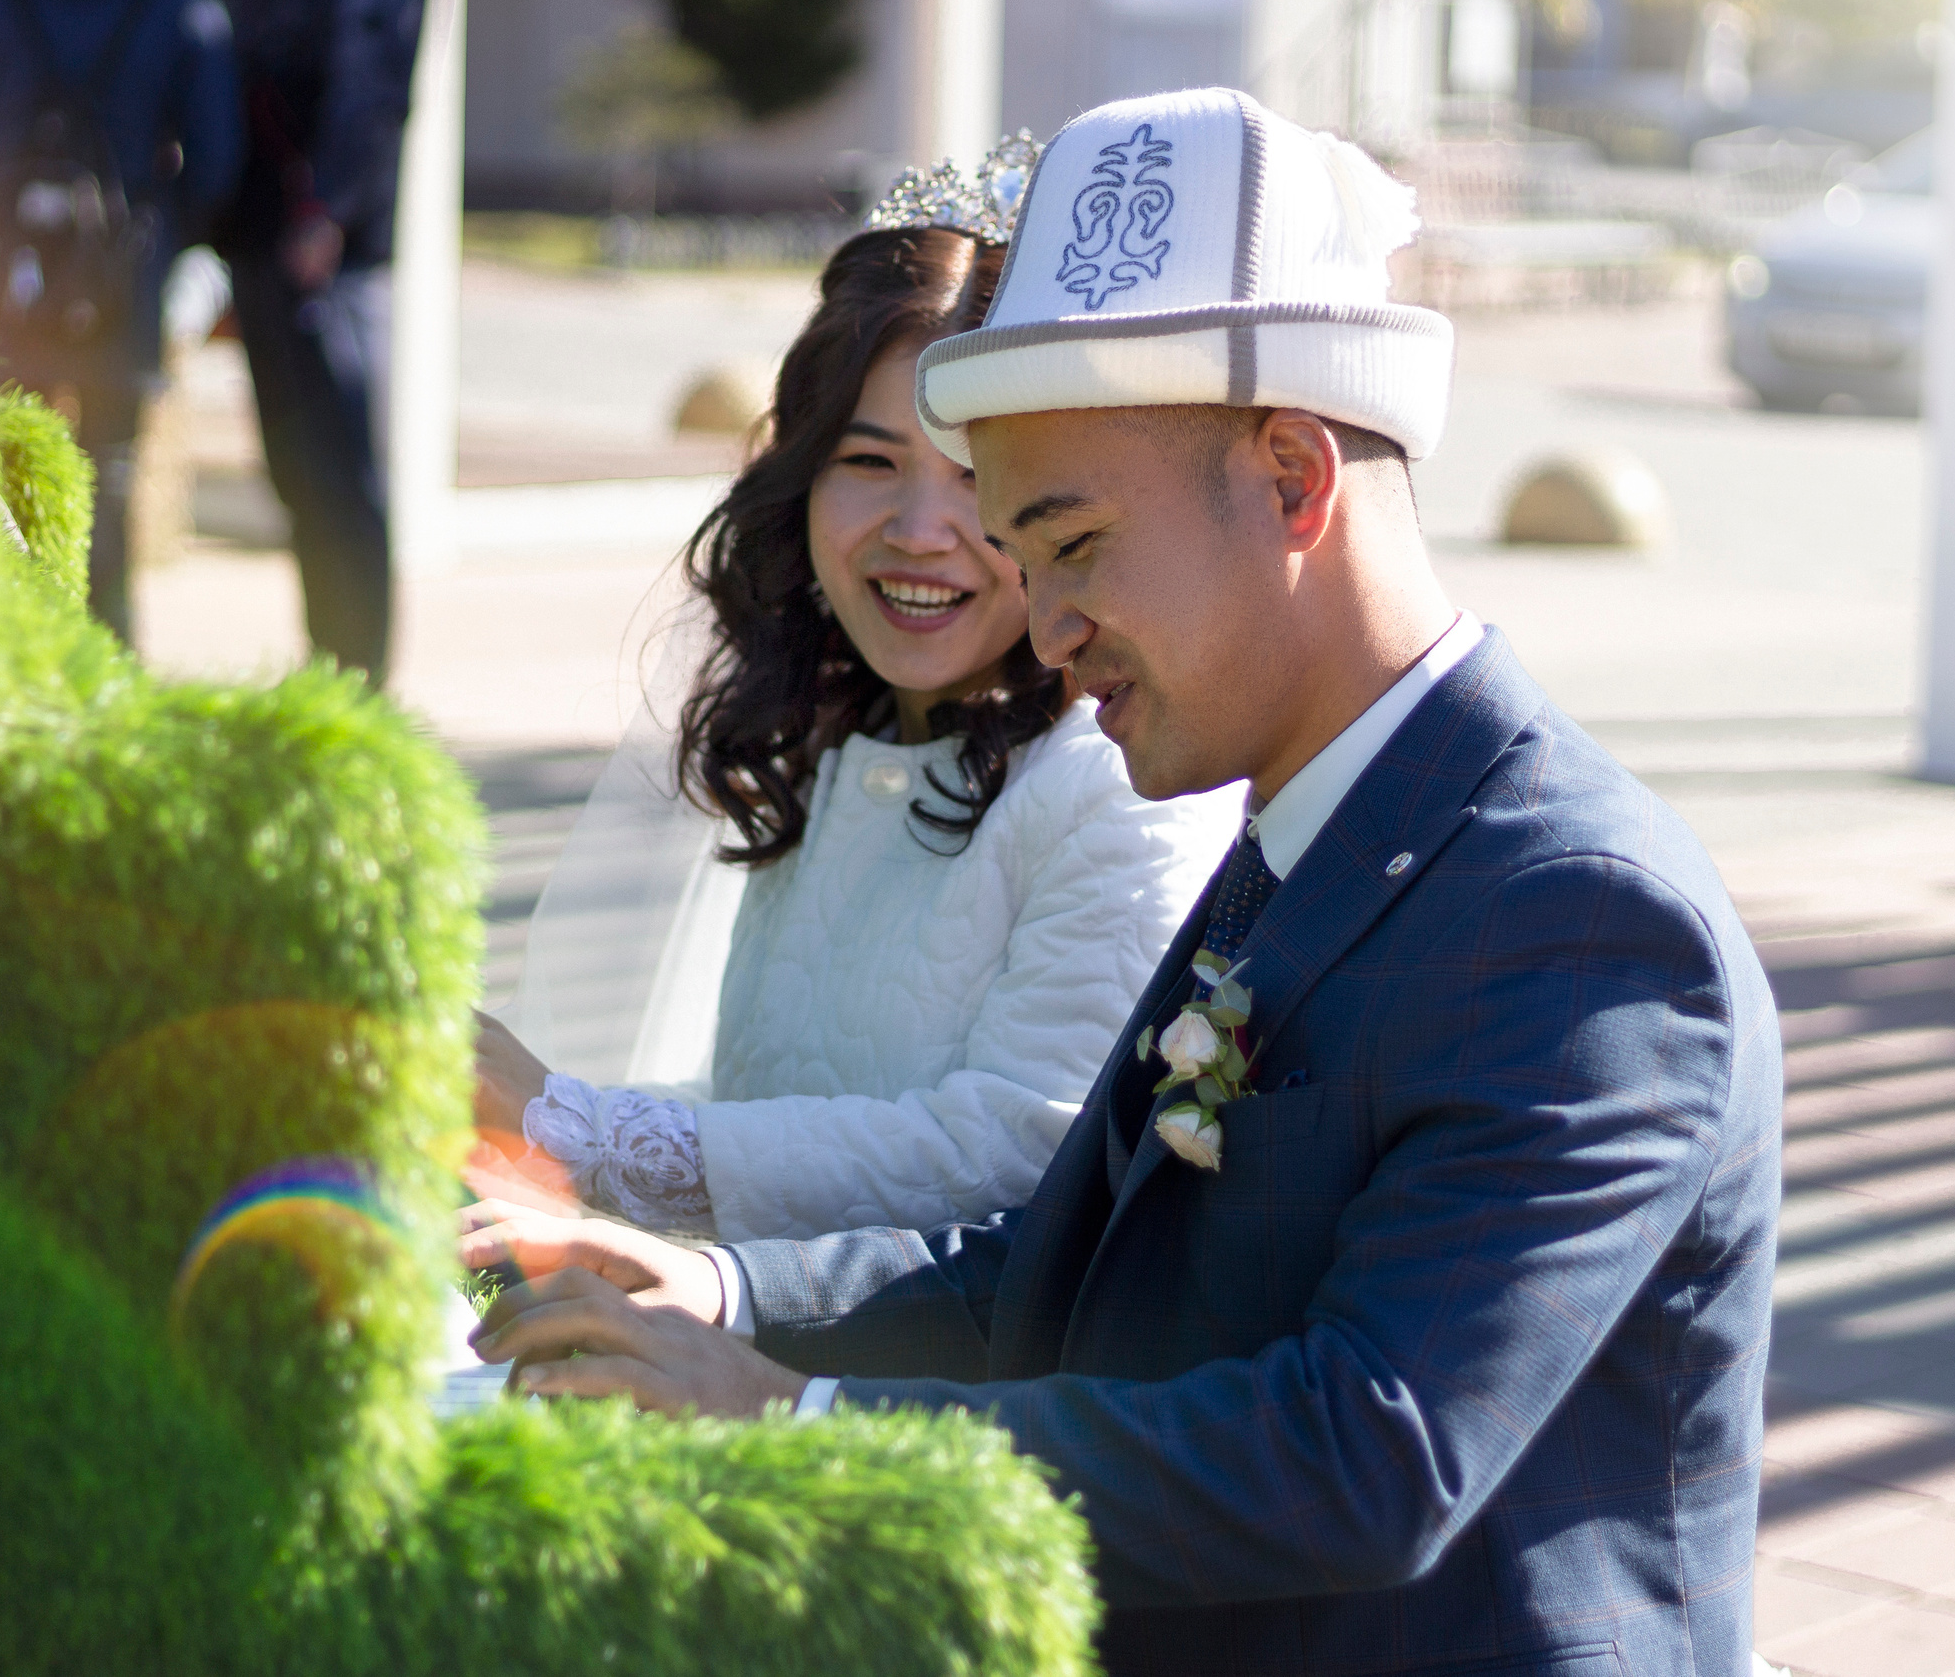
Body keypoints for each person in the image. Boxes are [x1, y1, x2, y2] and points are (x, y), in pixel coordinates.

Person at [458, 90, 1782, 1677]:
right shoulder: (1294, 830)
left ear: (1295, 475)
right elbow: (1057, 1264)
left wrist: (795, 1413)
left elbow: (1369, 1455)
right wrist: (724, 1284)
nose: (1050, 622)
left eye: (1072, 543)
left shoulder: (1583, 918)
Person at [466, 142, 1245, 1243]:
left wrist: (579, 1129)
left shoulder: (1122, 783)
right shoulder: (840, 746)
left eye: (979, 479)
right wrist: (526, 1146)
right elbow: (767, 1112)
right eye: (869, 463)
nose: (919, 536)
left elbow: (1012, 1148)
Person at [0, 0, 243, 643]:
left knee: (6, 472)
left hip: (10, 277)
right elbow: (215, 159)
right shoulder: (178, 0)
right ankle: (106, 661)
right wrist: (158, 228)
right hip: (124, 279)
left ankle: (15, 656)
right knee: (109, 482)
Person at [210, 0, 426, 682]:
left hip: (331, 249)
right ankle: (327, 672)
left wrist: (328, 209)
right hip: (261, 232)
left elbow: (374, 70)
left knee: (346, 481)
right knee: (297, 477)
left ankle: (360, 683)